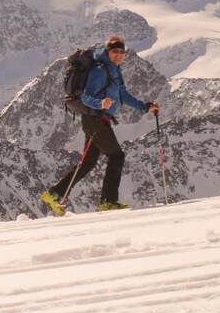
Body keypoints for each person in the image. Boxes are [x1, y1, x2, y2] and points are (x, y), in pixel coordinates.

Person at [41, 36, 159, 215]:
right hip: (94, 119)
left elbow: (124, 96)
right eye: (115, 51)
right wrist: (100, 104)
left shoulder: (114, 71)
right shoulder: (100, 70)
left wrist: (145, 107)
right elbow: (86, 97)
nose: (118, 55)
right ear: (108, 52)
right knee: (116, 156)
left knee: (88, 163)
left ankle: (54, 194)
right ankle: (108, 201)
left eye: (121, 52)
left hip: (97, 120)